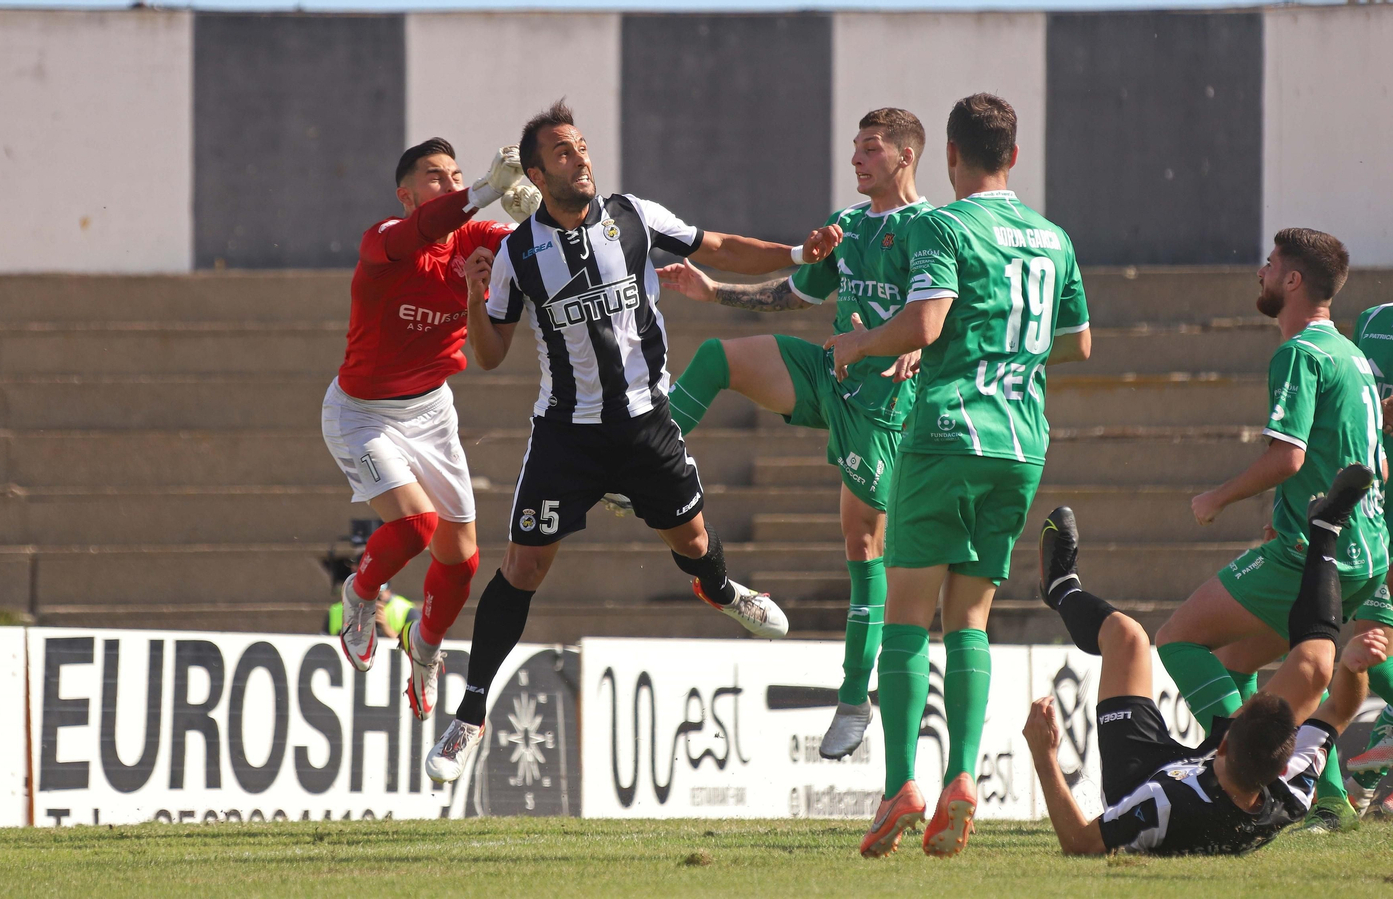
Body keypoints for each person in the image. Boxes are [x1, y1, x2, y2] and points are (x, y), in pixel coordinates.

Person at [423, 99, 840, 782]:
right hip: (566, 434)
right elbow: (490, 355)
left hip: (646, 423)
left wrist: (796, 254)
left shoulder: (635, 216)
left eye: (582, 146)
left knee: (695, 544)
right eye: (563, 152)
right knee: (522, 568)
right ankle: (470, 712)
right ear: (536, 174)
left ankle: (720, 589)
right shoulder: (518, 252)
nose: (580, 158)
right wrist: (473, 300)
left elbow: (716, 246)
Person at [826, 93, 1091, 857]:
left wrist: (860, 344)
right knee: (969, 617)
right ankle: (964, 776)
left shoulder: (942, 225)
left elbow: (926, 323)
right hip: (1021, 444)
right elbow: (1076, 343)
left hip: (947, 432)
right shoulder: (1053, 237)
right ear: (1014, 155)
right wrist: (1010, 350)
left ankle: (900, 786)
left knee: (907, 616)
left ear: (948, 155)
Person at [658, 107, 933, 760]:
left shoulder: (932, 228)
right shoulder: (849, 225)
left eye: (871, 148)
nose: (857, 158)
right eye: (856, 147)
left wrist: (922, 345)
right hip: (831, 372)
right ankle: (646, 462)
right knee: (717, 359)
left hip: (884, 404)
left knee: (863, 542)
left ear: (905, 156)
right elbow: (797, 295)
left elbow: (956, 309)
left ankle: (853, 698)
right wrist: (714, 290)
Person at [1152, 228, 1391, 833]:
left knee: (1177, 639)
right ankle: (1327, 800)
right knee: (1236, 661)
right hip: (1366, 549)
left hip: (1314, 553)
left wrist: (1216, 497)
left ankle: (1238, 777)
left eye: (1269, 263)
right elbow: (1372, 461)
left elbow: (1288, 456)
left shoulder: (1300, 353)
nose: (1260, 271)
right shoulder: (1351, 355)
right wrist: (1286, 510)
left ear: (1292, 279)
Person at [1025, 466, 1389, 855]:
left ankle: (1061, 588)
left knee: (1127, 638)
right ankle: (1326, 531)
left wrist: (1045, 757)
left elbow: (1081, 844)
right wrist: (1353, 668)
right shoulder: (1288, 792)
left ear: (1226, 742)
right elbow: (1340, 709)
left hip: (1139, 774)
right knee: (1314, 670)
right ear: (1281, 769)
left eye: (1240, 711)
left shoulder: (1160, 804)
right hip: (1218, 776)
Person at [322, 136, 539, 721]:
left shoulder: (475, 240)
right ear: (407, 194)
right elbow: (426, 227)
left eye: (457, 175)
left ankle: (424, 646)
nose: (450, 183)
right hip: (362, 413)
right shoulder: (384, 239)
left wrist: (537, 215)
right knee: (416, 526)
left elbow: (542, 251)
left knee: (462, 560)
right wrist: (484, 191)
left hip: (431, 411)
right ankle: (359, 595)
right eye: (435, 176)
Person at [1338, 300, 1393, 813]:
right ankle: (1364, 785)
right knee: (1373, 642)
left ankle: (1362, 785)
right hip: (1376, 504)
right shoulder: (1373, 321)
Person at [326, 586, 415, 640]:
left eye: (378, 597)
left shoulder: (405, 611)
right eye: (367, 598)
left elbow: (415, 650)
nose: (373, 603)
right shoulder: (338, 610)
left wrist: (386, 629)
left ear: (388, 592)